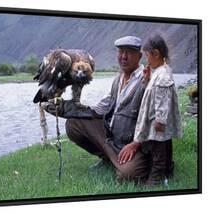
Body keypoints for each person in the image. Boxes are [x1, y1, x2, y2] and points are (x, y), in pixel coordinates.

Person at [44, 36, 151, 182]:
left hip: (135, 143)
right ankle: (109, 158)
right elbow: (100, 109)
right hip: (114, 137)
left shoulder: (146, 79)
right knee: (74, 123)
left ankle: (122, 162)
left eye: (129, 52)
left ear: (139, 56)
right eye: (121, 52)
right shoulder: (117, 80)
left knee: (128, 175)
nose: (124, 57)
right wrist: (68, 109)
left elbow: (154, 119)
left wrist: (136, 143)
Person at [131, 34, 182, 185]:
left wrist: (160, 119)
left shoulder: (162, 75)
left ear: (156, 53)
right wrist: (147, 80)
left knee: (158, 150)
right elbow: (155, 94)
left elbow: (161, 100)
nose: (147, 60)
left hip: (158, 122)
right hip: (160, 120)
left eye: (148, 56)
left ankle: (156, 178)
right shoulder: (160, 71)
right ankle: (168, 170)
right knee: (166, 145)